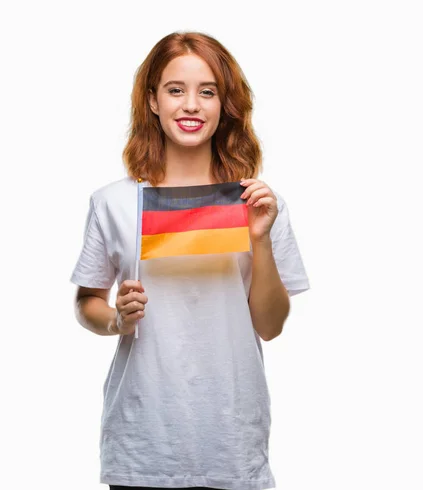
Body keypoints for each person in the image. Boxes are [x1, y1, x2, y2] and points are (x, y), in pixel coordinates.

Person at [70, 31, 310, 490]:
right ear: (153, 101)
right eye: (175, 89)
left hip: (233, 442)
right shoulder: (114, 202)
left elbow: (271, 325)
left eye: (208, 91)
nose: (192, 105)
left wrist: (258, 238)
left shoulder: (258, 203)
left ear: (225, 105)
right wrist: (116, 321)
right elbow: (87, 302)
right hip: (143, 443)